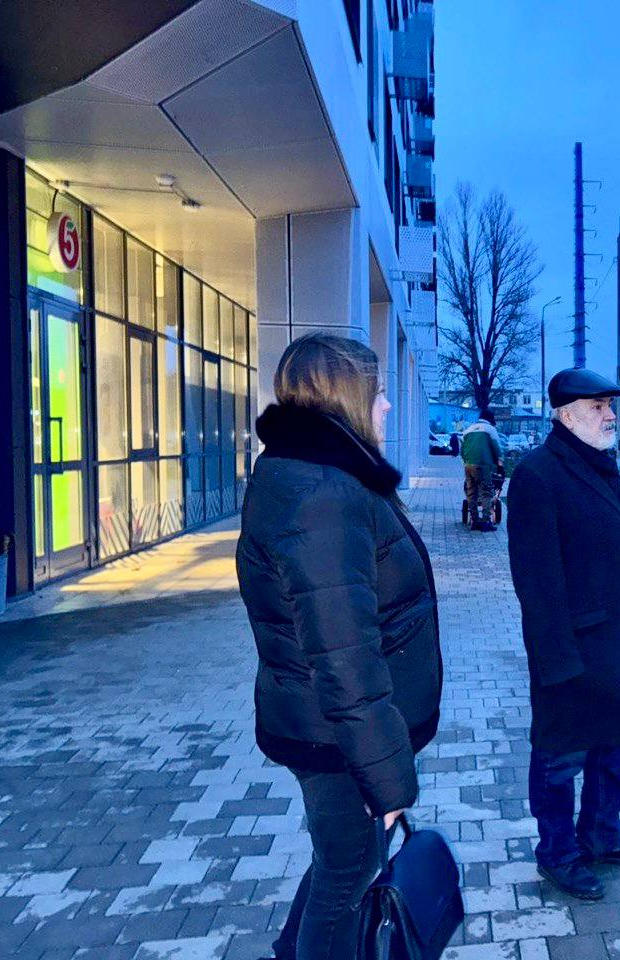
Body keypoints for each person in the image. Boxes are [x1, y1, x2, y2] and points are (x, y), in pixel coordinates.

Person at [236, 334, 444, 960]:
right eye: (377, 393)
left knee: (341, 863)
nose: (387, 405)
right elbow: (345, 658)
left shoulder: (316, 476)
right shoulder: (324, 495)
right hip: (339, 740)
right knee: (346, 879)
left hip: (329, 729)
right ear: (346, 398)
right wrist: (387, 783)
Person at [506, 368, 620, 901]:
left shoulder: (598, 462)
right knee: (559, 756)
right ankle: (557, 853)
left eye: (609, 406)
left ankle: (601, 836)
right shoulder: (538, 475)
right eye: (598, 407)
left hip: (613, 638)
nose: (609, 415)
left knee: (608, 743)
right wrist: (554, 660)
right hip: (569, 645)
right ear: (566, 415)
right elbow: (536, 580)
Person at [461, 409, 503, 532]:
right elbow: (497, 448)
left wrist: (467, 462)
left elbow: (462, 451)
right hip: (482, 466)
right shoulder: (490, 429)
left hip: (468, 465)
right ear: (490, 419)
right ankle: (485, 522)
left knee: (471, 492)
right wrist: (500, 466)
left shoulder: (468, 430)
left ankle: (474, 521)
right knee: (486, 492)